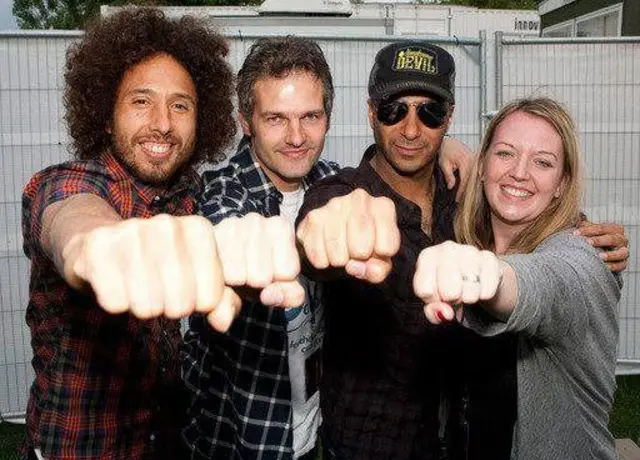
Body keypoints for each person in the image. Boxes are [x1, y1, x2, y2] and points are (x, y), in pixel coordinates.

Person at [295, 41, 629, 460]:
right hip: (372, 444)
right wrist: (324, 235)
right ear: (370, 113)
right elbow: (316, 236)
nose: (411, 129)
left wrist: (577, 230)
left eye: (430, 112)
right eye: (394, 110)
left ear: (449, 118)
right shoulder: (342, 193)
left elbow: (544, 262)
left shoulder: (467, 201)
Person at [20, 9, 304, 460]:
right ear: (106, 117)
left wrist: (436, 150)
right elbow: (72, 220)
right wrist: (97, 246)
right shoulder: (67, 183)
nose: (163, 123)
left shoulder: (192, 195)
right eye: (140, 101)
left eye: (180, 105)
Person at [181, 36, 471, 460]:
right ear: (247, 121)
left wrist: (445, 145)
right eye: (276, 119)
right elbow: (230, 232)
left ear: (329, 117)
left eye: (310, 116)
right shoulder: (225, 192)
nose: (296, 136)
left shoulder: (328, 176)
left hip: (312, 431)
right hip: (240, 438)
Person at [414, 97, 621, 460]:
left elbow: (548, 284)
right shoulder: (469, 237)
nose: (520, 173)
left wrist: (486, 274)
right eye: (506, 154)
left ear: (561, 183)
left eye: (543, 162)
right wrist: (442, 143)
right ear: (482, 166)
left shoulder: (584, 258)